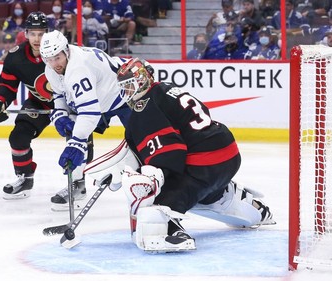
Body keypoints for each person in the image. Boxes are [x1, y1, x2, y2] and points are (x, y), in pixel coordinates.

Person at [115, 58, 275, 252]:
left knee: (157, 200)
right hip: (228, 152)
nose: (128, 92)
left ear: (143, 80)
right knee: (209, 195)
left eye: (130, 86)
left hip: (206, 163)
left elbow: (169, 153)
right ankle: (251, 206)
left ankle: (169, 229)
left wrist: (155, 178)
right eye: (124, 88)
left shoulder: (145, 105)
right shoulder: (167, 88)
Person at [39, 30, 132, 211]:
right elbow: (60, 92)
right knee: (73, 128)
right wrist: (60, 112)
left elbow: (90, 113)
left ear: (66, 51)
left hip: (123, 96)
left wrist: (77, 142)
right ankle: (77, 185)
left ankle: (164, 181)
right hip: (100, 99)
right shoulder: (51, 68)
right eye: (48, 59)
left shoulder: (78, 68)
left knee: (143, 141)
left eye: (57, 58)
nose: (53, 64)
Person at [0, 12, 56, 201]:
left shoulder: (59, 52)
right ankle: (25, 178)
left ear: (47, 33)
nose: (36, 39)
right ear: (25, 33)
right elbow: (7, 86)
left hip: (67, 103)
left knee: (79, 139)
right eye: (32, 33)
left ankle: (78, 182)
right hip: (39, 102)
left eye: (41, 34)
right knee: (18, 136)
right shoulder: (15, 57)